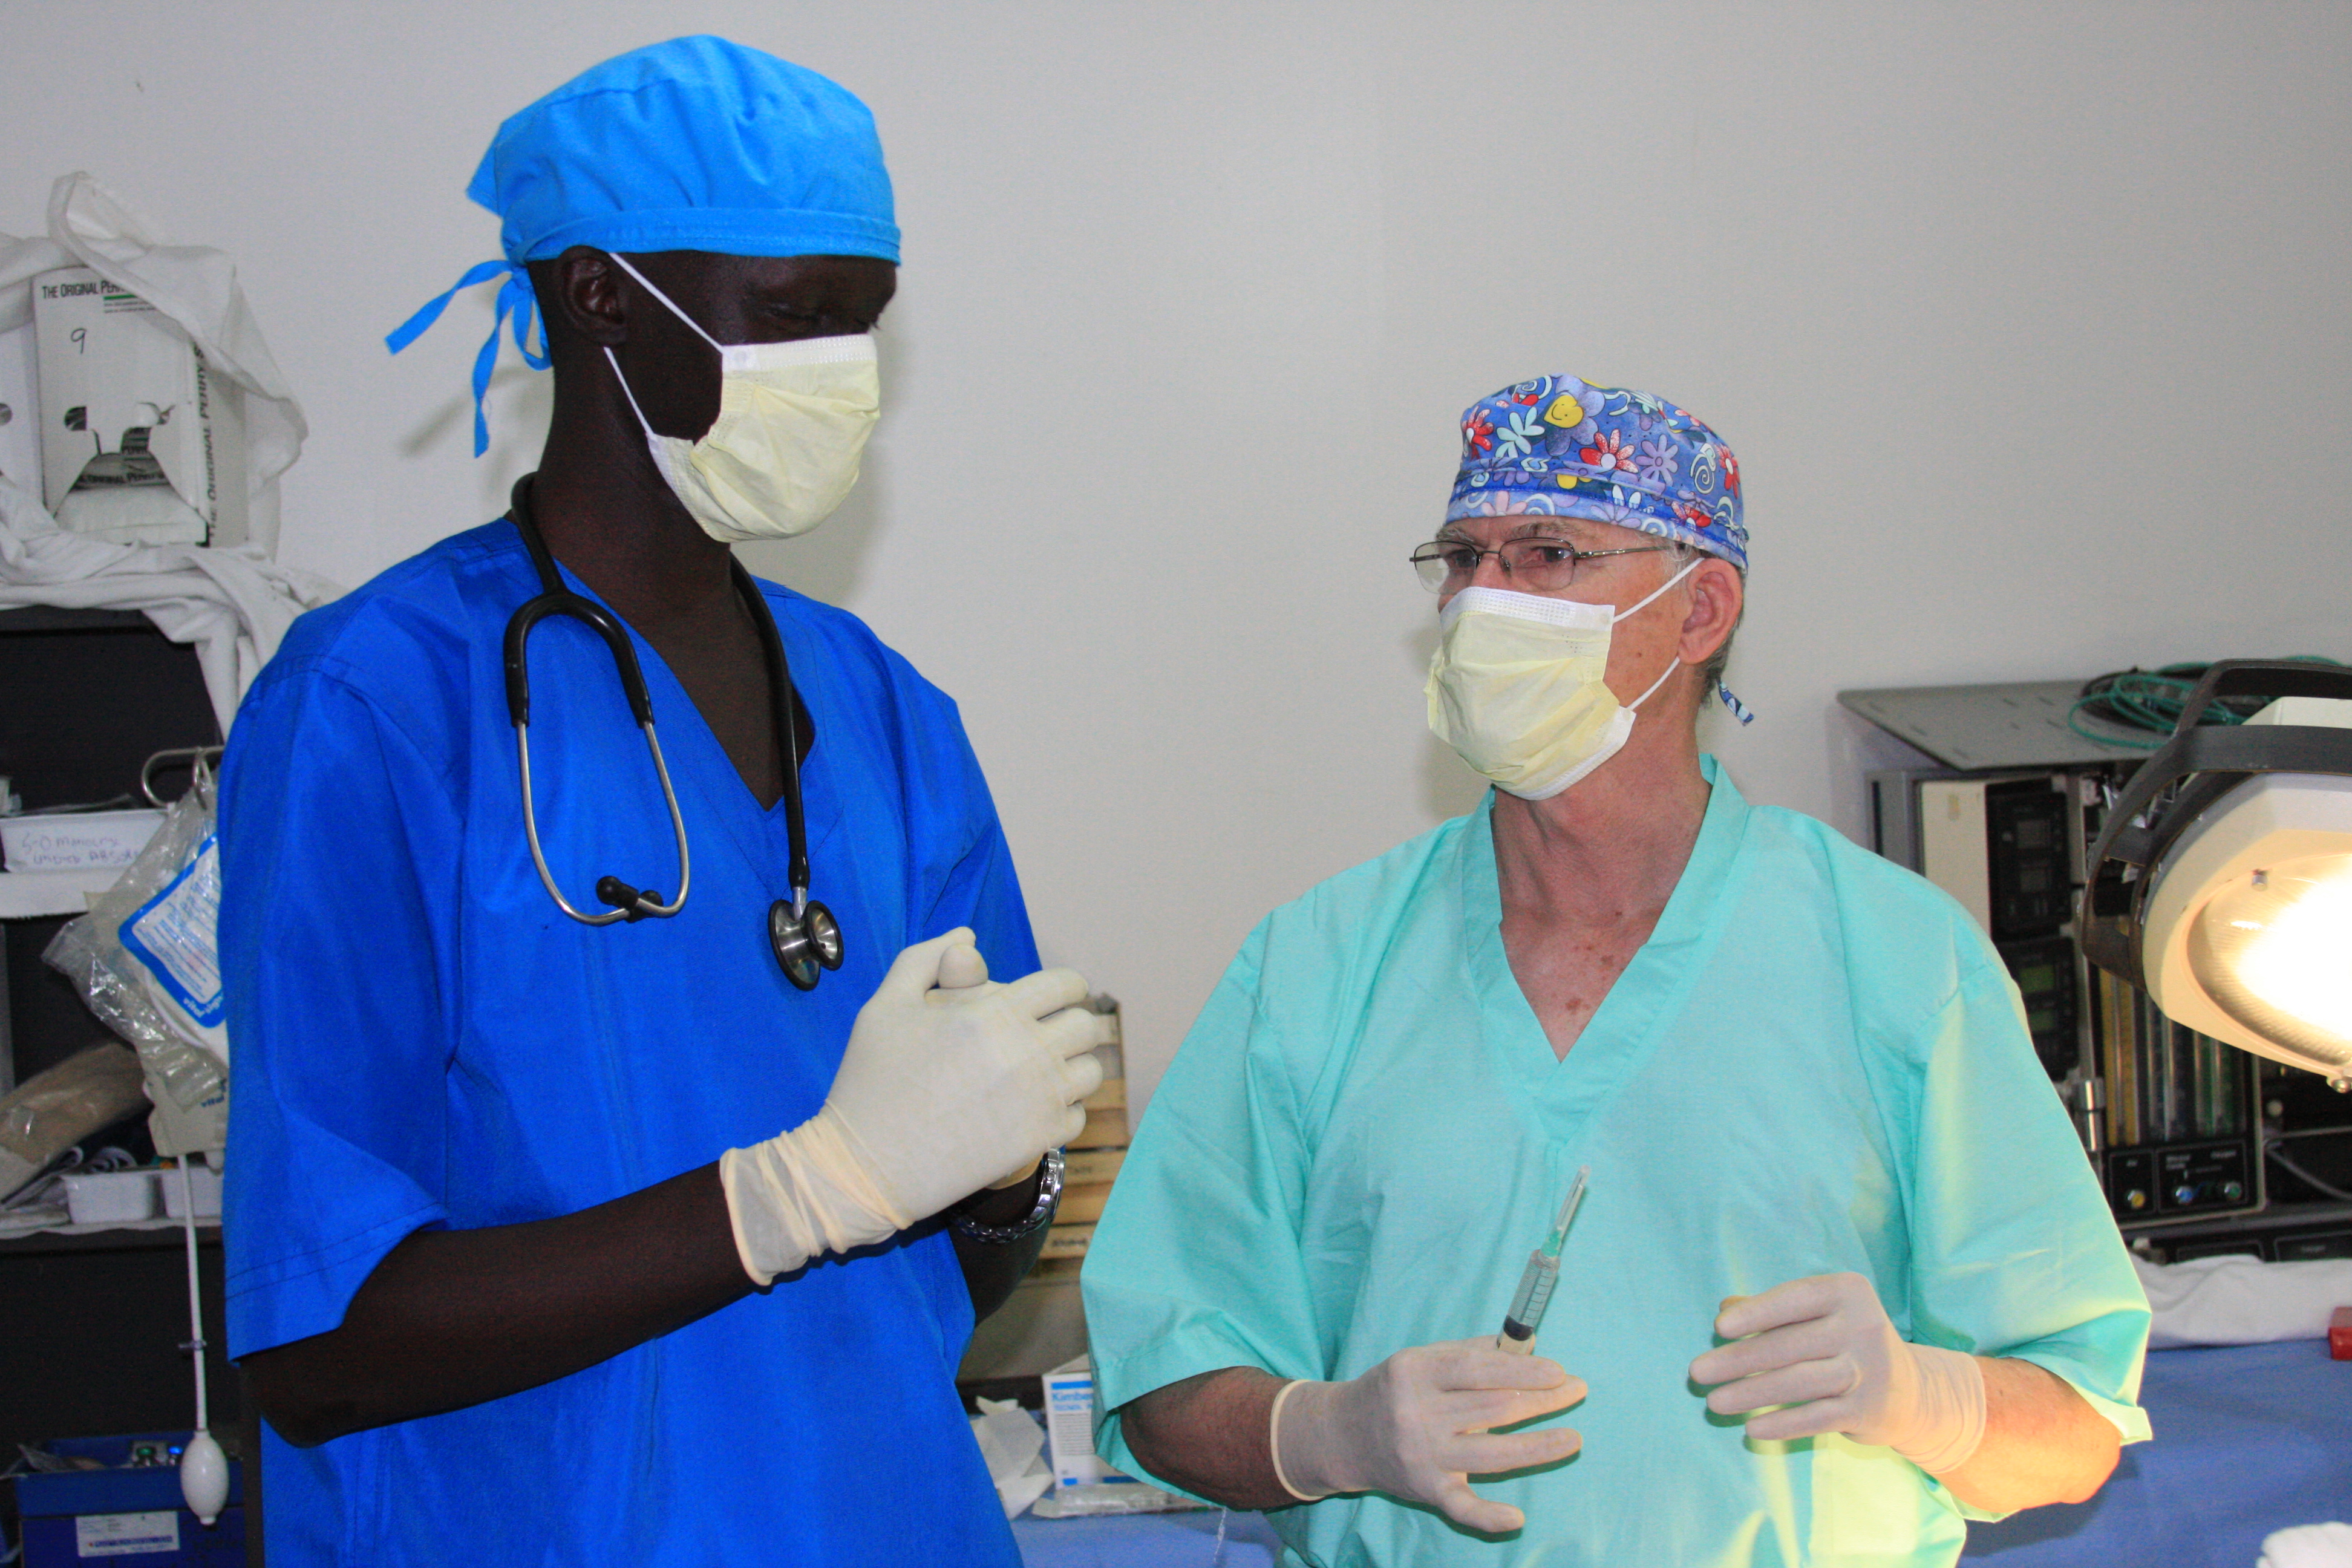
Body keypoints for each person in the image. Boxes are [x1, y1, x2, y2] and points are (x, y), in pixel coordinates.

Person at [220, 37, 1103, 1565]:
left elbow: (963, 1252)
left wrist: (1005, 1161)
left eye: (866, 323)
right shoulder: (378, 707)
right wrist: (801, 1189)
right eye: (792, 319)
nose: (845, 373)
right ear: (601, 296)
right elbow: (320, 1344)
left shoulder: (887, 717)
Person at [1080, 375, 2151, 1567]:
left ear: (1700, 613)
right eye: (1461, 558)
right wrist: (1327, 1434)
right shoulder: (1317, 968)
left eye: (1547, 554)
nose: (1484, 597)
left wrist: (1925, 1399)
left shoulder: (1896, 958)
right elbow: (1160, 1389)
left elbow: (2077, 1435)